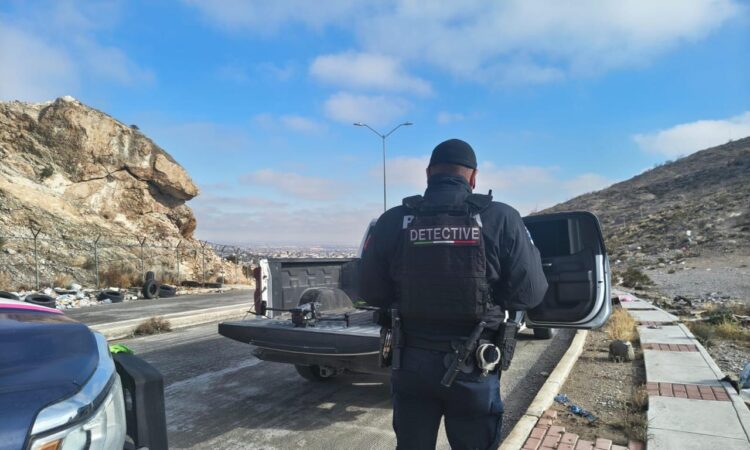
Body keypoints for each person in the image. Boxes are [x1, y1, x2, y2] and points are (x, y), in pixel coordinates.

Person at [359, 138, 548, 450]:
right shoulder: (501, 218)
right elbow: (528, 294)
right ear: (473, 178)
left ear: (428, 174)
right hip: (474, 366)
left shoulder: (392, 220)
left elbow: (371, 291)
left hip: (410, 363)